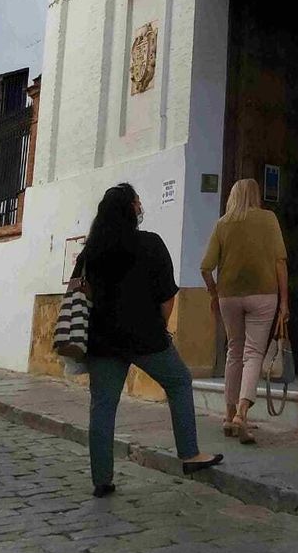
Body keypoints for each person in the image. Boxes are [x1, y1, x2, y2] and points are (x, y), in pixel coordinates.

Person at [71, 182, 221, 497]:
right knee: (179, 381)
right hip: (146, 336)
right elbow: (167, 295)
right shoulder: (151, 244)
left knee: (103, 406)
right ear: (131, 209)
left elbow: (80, 293)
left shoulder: (91, 252)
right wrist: (159, 328)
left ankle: (102, 479)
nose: (141, 204)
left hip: (104, 339)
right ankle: (189, 453)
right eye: (137, 201)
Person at [199, 178, 289, 445]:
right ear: (256, 195)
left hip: (228, 296)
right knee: (253, 354)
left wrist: (214, 293)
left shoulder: (222, 224)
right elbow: (280, 262)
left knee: (234, 352)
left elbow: (205, 267)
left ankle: (228, 416)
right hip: (263, 295)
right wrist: (284, 302)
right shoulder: (268, 219)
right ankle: (242, 414)